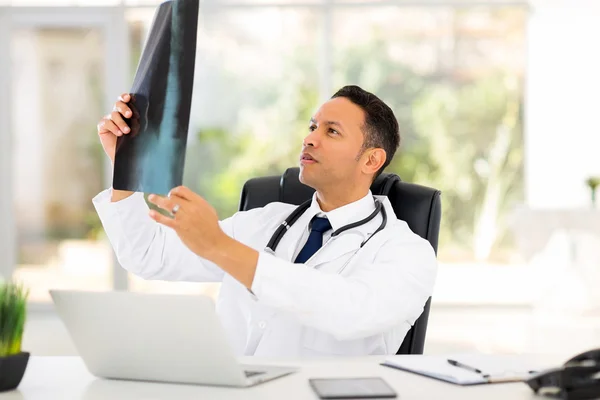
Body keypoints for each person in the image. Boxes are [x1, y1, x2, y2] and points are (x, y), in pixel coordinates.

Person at [93, 85, 437, 357]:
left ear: (371, 159)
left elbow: (350, 311)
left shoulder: (407, 252)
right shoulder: (265, 222)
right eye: (313, 126)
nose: (310, 138)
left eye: (332, 132)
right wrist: (126, 165)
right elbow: (149, 254)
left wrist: (221, 247)